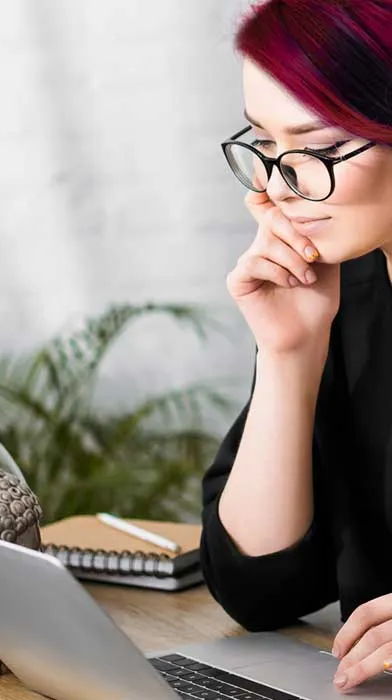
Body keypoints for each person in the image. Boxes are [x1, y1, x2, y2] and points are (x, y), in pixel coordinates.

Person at [199, 0, 392, 692]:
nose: (283, 185)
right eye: (267, 146)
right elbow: (259, 591)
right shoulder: (343, 287)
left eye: (322, 149)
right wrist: (289, 354)